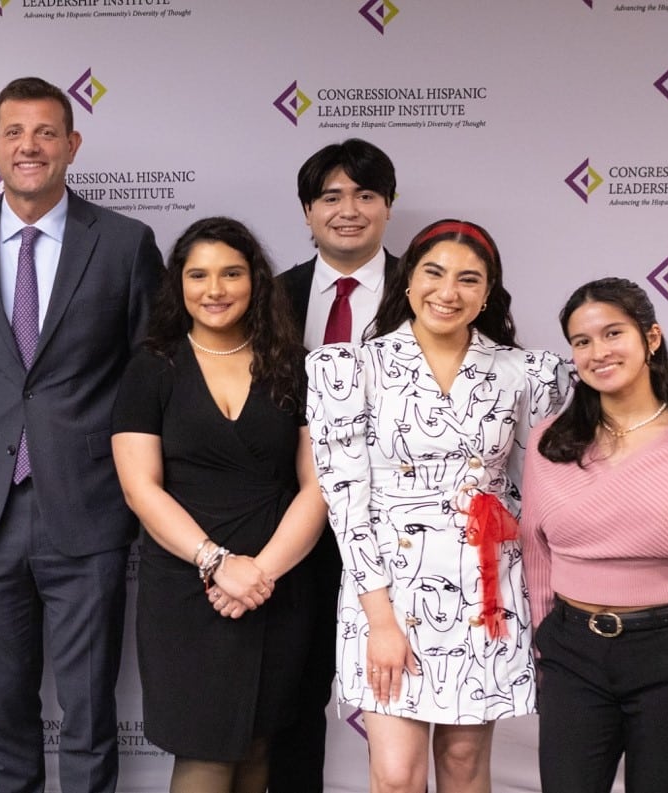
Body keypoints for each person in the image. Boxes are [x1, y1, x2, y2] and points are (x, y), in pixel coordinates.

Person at [0, 75, 163, 793]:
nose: (30, 146)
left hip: (87, 506)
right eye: (15, 133)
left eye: (46, 132)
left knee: (90, 712)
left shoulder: (124, 243)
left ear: (72, 145)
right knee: (3, 711)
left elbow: (150, 377)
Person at [305, 219, 569, 793]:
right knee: (397, 775)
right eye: (434, 273)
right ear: (406, 280)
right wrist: (379, 621)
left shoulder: (524, 374)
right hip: (387, 590)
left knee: (463, 765)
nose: (448, 293)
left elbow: (537, 488)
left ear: (487, 292)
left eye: (468, 280)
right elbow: (346, 499)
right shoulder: (351, 367)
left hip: (484, 588)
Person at [111, 217, 326, 792]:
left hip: (278, 583)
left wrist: (260, 572)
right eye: (198, 274)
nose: (215, 289)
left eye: (231, 273)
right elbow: (141, 489)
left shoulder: (294, 364)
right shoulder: (151, 367)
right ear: (177, 284)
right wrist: (218, 564)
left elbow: (318, 486)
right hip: (188, 586)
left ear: (255, 280)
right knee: (205, 751)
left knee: (259, 745)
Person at [522, 277, 668, 793]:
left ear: (651, 338)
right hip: (571, 655)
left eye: (613, 333)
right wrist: (545, 644)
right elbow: (536, 552)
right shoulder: (549, 441)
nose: (598, 352)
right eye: (582, 341)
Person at [272, 138, 401, 792]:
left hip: (403, 533)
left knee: (411, 702)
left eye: (365, 195)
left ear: (388, 205)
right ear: (306, 210)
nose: (348, 210)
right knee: (294, 694)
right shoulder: (272, 297)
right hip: (298, 526)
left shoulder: (428, 288)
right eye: (331, 197)